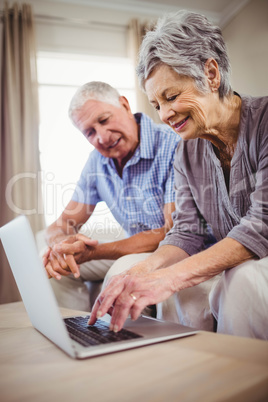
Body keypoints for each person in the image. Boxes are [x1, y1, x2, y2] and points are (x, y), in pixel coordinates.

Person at [89, 11, 268, 339]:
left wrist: (167, 278)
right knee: (174, 283)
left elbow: (261, 228)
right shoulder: (187, 150)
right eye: (156, 105)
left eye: (171, 97)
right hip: (240, 265)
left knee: (240, 281)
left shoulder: (264, 123)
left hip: (257, 265)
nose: (165, 114)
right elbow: (187, 232)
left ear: (211, 74)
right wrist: (143, 270)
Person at [43, 81, 180, 311]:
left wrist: (93, 252)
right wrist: (61, 247)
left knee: (120, 270)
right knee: (50, 262)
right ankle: (71, 334)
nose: (102, 137)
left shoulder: (171, 143)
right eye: (90, 132)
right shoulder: (97, 161)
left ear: (125, 105)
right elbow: (61, 224)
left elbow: (170, 231)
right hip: (133, 248)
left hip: (171, 249)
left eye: (104, 120)